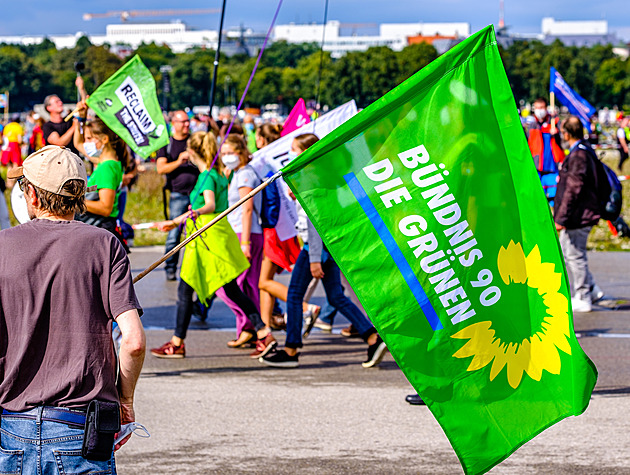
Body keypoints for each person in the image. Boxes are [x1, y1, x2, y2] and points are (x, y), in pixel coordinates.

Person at [1, 145, 145, 472]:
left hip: (12, 426)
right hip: (81, 429)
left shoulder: (2, 246)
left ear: (34, 196)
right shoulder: (105, 245)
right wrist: (125, 401)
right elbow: (133, 342)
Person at [260, 134, 387, 369]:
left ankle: (291, 349)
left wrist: (315, 258)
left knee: (295, 296)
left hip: (314, 246)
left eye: (294, 150)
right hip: (324, 245)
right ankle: (372, 337)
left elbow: (315, 219)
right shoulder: (320, 175)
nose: (291, 155)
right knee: (335, 296)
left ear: (306, 151)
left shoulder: (310, 177)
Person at [151, 131, 276, 358]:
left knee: (186, 289)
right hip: (213, 234)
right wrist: (175, 222)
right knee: (229, 288)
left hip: (206, 236)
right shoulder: (217, 173)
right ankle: (262, 332)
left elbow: (208, 205)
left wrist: (186, 216)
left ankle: (178, 343)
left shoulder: (207, 176)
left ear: (192, 151)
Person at [217, 134, 269, 348]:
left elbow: (247, 208)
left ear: (241, 153)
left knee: (232, 286)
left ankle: (255, 328)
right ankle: (247, 328)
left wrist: (245, 242)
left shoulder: (246, 174)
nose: (227, 157)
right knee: (244, 285)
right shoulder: (239, 173)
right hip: (241, 232)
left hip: (245, 233)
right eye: (224, 154)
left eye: (231, 153)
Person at [554, 116, 605, 313]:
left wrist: (561, 218)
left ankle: (583, 295)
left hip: (578, 215)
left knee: (575, 255)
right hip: (580, 213)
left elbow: (572, 189)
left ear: (566, 133)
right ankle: (591, 289)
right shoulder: (584, 150)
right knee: (569, 252)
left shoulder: (578, 156)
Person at [73, 109, 129, 250]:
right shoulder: (108, 162)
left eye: (90, 139)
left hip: (101, 228)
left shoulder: (106, 168)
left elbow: (105, 208)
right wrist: (80, 118)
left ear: (104, 139)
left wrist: (74, 201)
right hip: (101, 228)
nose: (86, 143)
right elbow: (77, 143)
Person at [156, 110, 197, 280]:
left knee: (196, 233)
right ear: (174, 123)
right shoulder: (167, 143)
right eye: (183, 122)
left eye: (188, 121)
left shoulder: (194, 141)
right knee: (174, 233)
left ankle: (193, 267)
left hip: (197, 193)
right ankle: (170, 267)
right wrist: (179, 161)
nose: (187, 125)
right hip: (177, 194)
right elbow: (161, 168)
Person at [527, 97, 564, 203]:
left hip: (553, 168)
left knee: (555, 200)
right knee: (538, 200)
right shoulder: (532, 126)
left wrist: (556, 134)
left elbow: (564, 143)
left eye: (541, 107)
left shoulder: (555, 123)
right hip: (537, 167)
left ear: (546, 108)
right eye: (537, 108)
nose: (539, 110)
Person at [42, 78, 85, 156]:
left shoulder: (69, 119)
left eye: (60, 101)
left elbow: (84, 105)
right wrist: (74, 127)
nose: (61, 103)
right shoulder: (47, 126)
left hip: (74, 160)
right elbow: (59, 143)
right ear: (49, 108)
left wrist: (81, 88)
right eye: (56, 102)